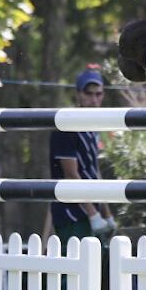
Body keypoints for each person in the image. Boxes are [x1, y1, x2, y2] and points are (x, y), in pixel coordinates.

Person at [48, 67, 116, 242]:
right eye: (89, 93)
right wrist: (93, 214)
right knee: (76, 268)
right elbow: (70, 173)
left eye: (98, 94)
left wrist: (106, 213)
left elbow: (94, 171)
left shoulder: (92, 127)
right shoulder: (66, 126)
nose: (94, 99)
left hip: (92, 214)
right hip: (71, 215)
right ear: (78, 94)